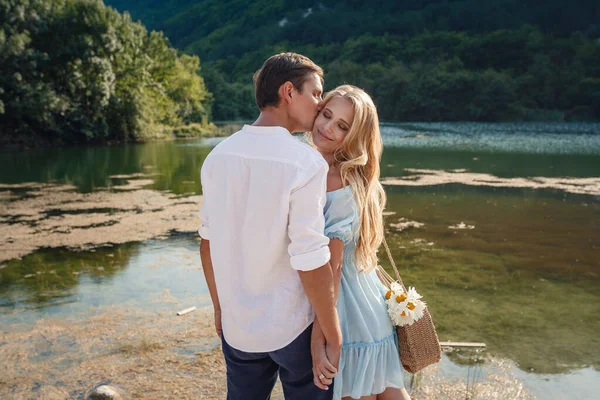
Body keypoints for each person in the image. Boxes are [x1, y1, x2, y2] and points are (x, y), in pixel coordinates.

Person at [198, 53, 342, 400]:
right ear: (289, 91)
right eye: (315, 92)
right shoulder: (305, 162)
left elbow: (207, 243)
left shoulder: (218, 156)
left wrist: (220, 307)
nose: (320, 102)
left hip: (239, 328)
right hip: (292, 328)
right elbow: (310, 258)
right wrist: (332, 333)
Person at [308, 85, 411, 400]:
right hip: (371, 305)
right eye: (326, 115)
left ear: (354, 137)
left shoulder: (335, 177)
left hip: (347, 313)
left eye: (342, 126)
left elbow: (332, 267)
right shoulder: (351, 173)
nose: (327, 127)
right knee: (391, 391)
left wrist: (318, 341)